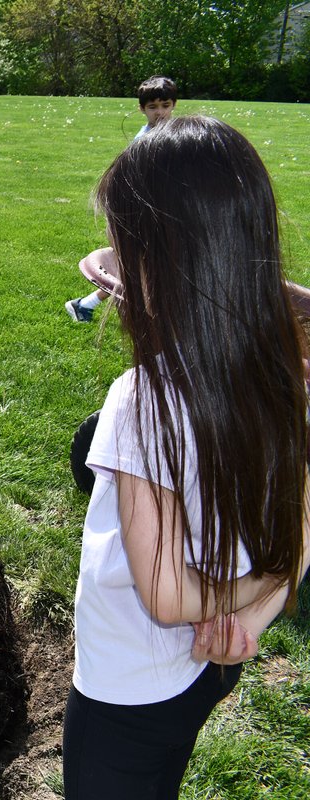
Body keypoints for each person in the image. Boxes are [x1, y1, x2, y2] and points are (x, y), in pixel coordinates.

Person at [63, 115, 310, 799]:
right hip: (211, 663)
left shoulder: (143, 400)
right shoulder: (284, 363)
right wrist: (254, 612)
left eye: (119, 242)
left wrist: (243, 597)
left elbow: (169, 596)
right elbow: (304, 513)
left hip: (130, 686)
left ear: (157, 260)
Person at [65, 76, 178, 324]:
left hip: (162, 214)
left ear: (174, 105)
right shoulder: (143, 142)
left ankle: (84, 304)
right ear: (141, 109)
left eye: (165, 105)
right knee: (140, 270)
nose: (160, 112)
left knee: (140, 270)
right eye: (152, 107)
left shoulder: (175, 135)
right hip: (142, 216)